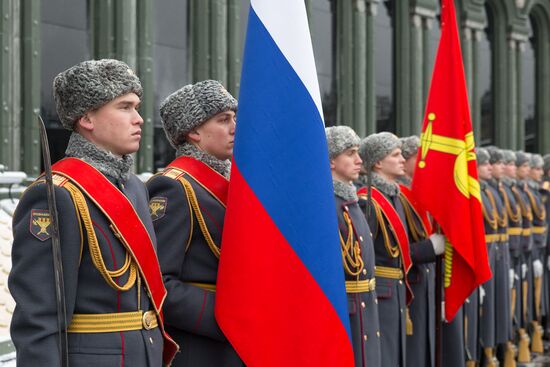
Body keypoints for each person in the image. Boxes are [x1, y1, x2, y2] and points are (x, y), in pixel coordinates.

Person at [9, 59, 177, 366]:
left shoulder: (135, 189)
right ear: (87, 118)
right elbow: (38, 320)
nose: (139, 119)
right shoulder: (56, 194)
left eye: (137, 107)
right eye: (125, 107)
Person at [146, 80, 244, 366]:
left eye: (234, 118)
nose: (235, 127)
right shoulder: (174, 187)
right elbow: (159, 283)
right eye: (223, 120)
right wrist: (232, 318)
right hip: (202, 348)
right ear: (194, 131)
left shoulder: (235, 185)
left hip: (236, 341)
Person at [357, 132, 444, 367]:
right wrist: (429, 248)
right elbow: (371, 255)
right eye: (395, 155)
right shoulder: (368, 201)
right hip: (383, 290)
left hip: (398, 287)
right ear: (377, 162)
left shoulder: (395, 196)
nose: (402, 159)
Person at [326, 126, 381, 367]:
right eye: (350, 153)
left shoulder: (352, 201)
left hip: (365, 303)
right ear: (330, 162)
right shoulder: (328, 205)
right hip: (345, 311)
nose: (359, 160)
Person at [399, 135, 440, 367]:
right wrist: (429, 248)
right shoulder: (399, 195)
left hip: (426, 277)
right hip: (409, 282)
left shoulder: (420, 191)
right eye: (420, 158)